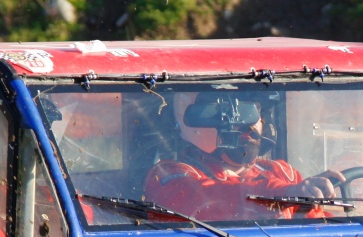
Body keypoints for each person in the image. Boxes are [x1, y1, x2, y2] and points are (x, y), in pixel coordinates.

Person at [143, 95, 343, 223]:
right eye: (239, 121)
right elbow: (208, 195)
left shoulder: (280, 172)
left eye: (255, 115)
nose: (251, 127)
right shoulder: (170, 174)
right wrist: (286, 193)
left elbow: (316, 227)